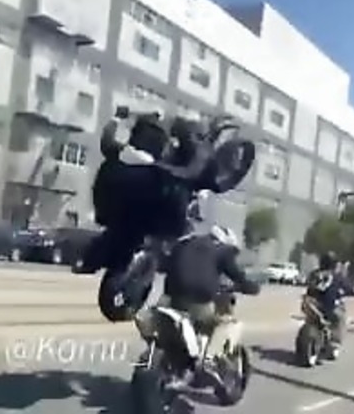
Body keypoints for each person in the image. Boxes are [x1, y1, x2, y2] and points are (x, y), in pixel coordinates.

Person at [85, 110, 211, 273]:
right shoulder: (159, 167)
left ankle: (94, 259)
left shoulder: (121, 154)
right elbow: (189, 174)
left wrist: (116, 119)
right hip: (144, 217)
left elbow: (106, 142)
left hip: (114, 211)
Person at [161, 225, 260, 367]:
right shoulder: (222, 250)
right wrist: (252, 287)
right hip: (200, 300)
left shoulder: (184, 244)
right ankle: (210, 359)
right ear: (225, 242)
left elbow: (165, 266)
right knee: (226, 324)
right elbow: (236, 275)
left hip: (173, 300)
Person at [305, 251, 354, 349]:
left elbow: (308, 285)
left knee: (309, 318)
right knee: (341, 319)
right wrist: (352, 290)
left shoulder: (313, 274)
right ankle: (334, 343)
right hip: (328, 307)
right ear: (334, 264)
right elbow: (351, 289)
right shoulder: (337, 276)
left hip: (310, 304)